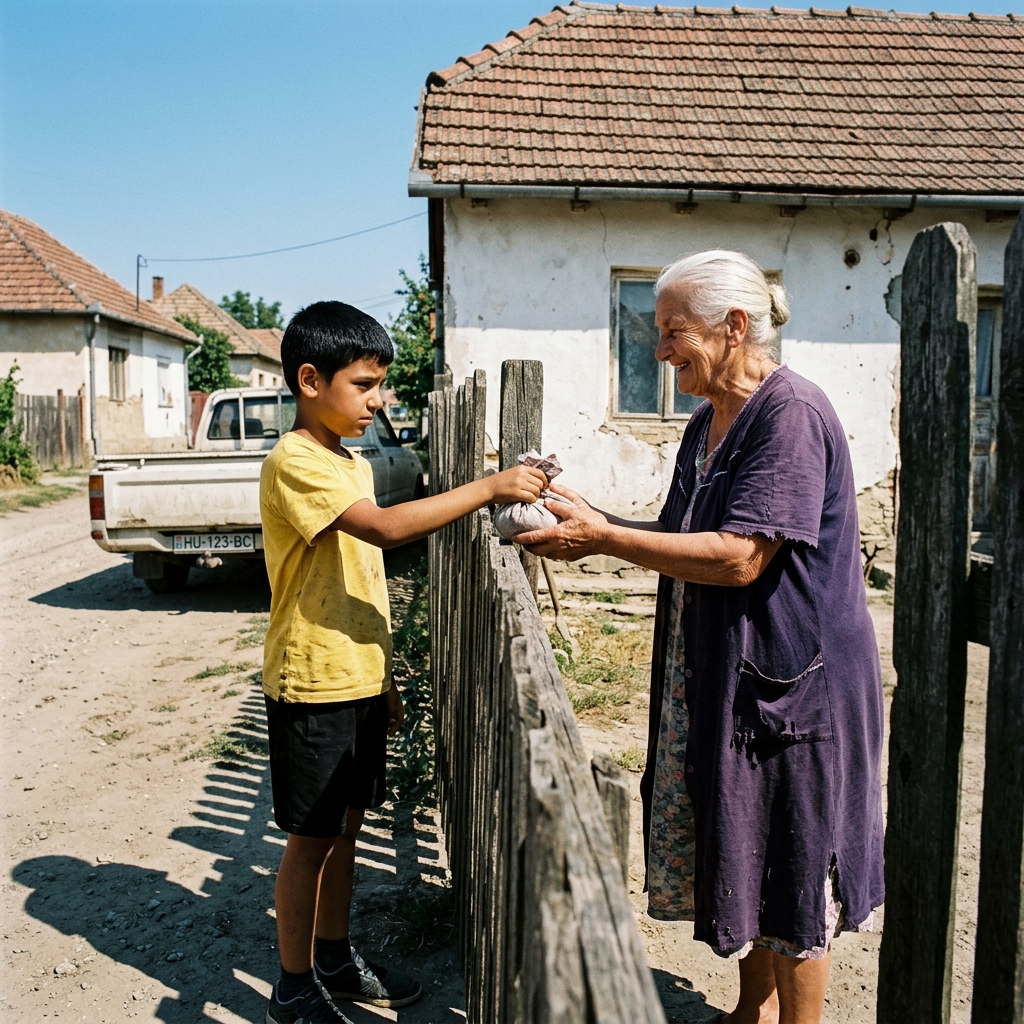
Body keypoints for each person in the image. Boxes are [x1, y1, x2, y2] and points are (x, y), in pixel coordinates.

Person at [519, 251, 885, 1024]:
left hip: (796, 685)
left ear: (735, 327)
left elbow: (742, 555)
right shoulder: (706, 422)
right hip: (730, 670)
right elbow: (684, 534)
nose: (659, 351)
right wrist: (596, 519)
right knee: (749, 846)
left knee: (791, 865)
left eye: (673, 332)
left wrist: (606, 542)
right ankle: (749, 1010)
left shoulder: (789, 414)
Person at [260, 301, 547, 1023]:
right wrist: (489, 488)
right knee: (310, 840)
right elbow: (384, 532)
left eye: (380, 384)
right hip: (313, 680)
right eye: (364, 385)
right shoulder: (295, 462)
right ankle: (294, 988)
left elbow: (359, 576)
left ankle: (332, 955)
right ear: (309, 380)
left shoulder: (349, 460)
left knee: (348, 828)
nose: (378, 400)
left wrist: (383, 677)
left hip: (355, 675)